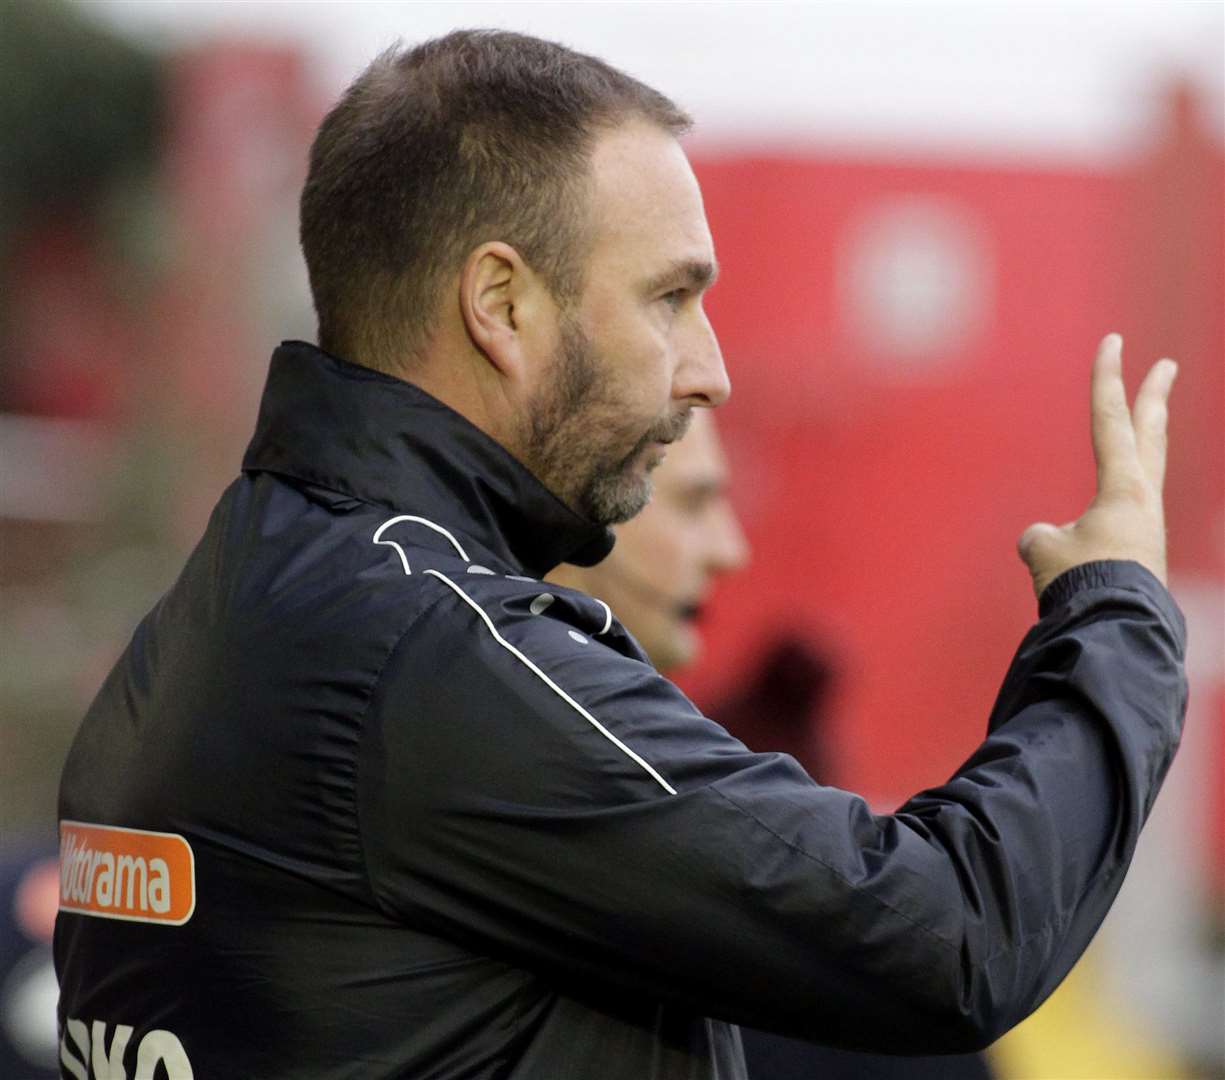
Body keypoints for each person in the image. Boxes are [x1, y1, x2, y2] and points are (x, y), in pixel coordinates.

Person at [55, 29, 1186, 1080]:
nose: (709, 369)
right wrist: (1117, 614)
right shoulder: (431, 650)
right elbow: (948, 931)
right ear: (501, 302)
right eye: (670, 297)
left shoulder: (210, 616)